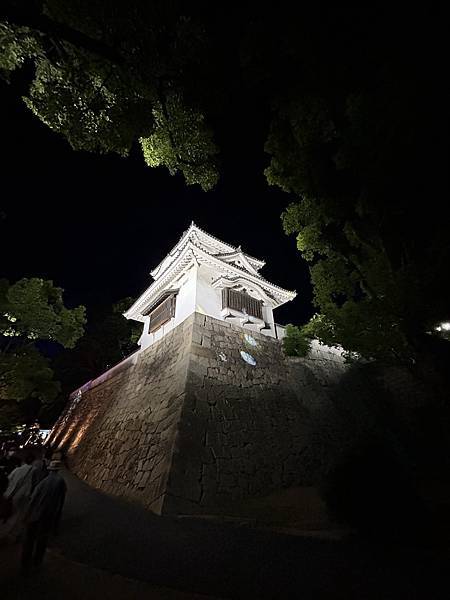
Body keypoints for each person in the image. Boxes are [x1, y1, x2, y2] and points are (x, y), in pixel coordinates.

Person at [21, 459, 67, 570]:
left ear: (50, 470)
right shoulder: (61, 482)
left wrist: (27, 514)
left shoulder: (43, 482)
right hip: (48, 514)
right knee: (42, 539)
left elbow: (33, 498)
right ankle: (37, 561)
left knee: (29, 540)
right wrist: (56, 521)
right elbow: (60, 502)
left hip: (35, 514)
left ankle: (25, 563)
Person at [0, 453, 39, 541]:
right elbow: (34, 483)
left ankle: (3, 529)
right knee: (16, 514)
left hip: (9, 493)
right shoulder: (34, 470)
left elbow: (9, 478)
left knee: (6, 512)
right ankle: (7, 534)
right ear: (33, 461)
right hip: (22, 495)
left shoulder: (17, 469)